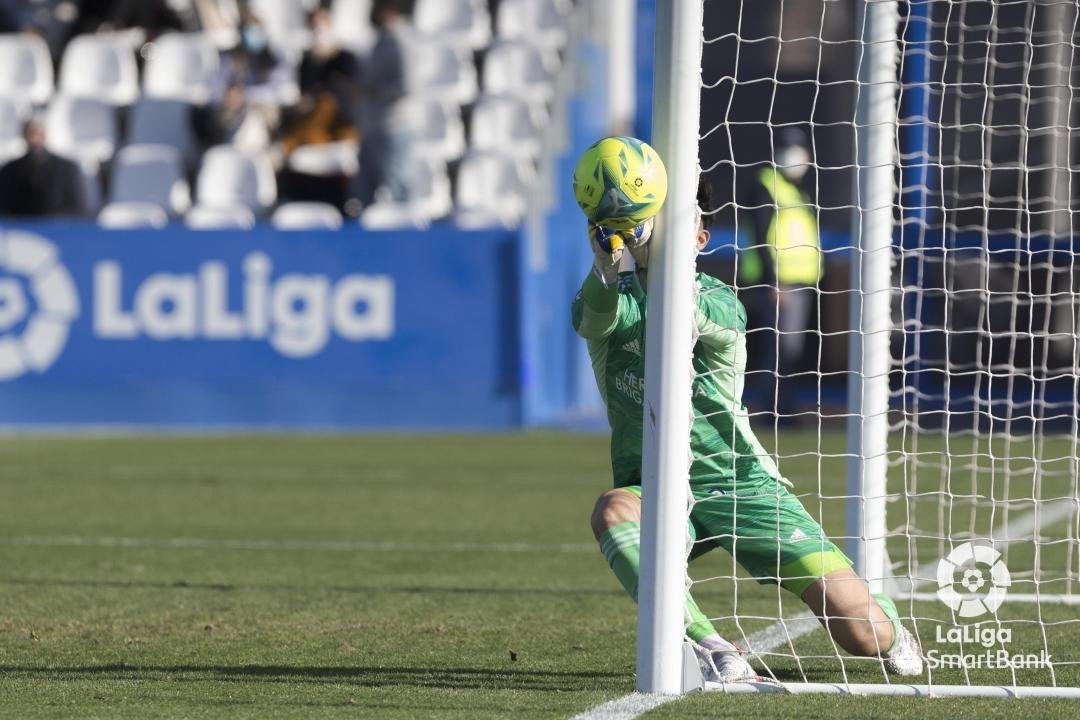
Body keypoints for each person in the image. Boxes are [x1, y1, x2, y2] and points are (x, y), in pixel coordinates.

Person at [571, 178, 921, 683]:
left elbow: (691, 316)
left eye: (677, 226)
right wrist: (607, 265)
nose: (660, 237)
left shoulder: (720, 300)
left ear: (700, 239)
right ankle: (709, 645)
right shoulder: (612, 300)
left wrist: (659, 273)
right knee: (612, 510)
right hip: (657, 485)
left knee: (861, 633)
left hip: (741, 484)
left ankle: (890, 622)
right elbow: (593, 318)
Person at [741, 128, 823, 424]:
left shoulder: (799, 191)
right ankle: (774, 411)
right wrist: (772, 280)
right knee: (778, 349)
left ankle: (785, 407)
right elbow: (761, 236)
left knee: (791, 350)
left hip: (801, 283)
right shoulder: (766, 184)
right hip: (779, 284)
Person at [355, 0, 417, 206]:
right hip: (372, 126)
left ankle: (406, 236)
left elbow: (406, 86)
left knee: (397, 186)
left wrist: (373, 92)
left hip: (393, 128)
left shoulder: (400, 41)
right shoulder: (381, 40)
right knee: (365, 191)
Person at [0, 119, 86, 218]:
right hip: (19, 230)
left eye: (38, 133)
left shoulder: (67, 169)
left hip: (56, 229)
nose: (34, 138)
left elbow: (78, 208)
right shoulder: (9, 170)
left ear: (45, 134)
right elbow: (4, 209)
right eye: (30, 133)